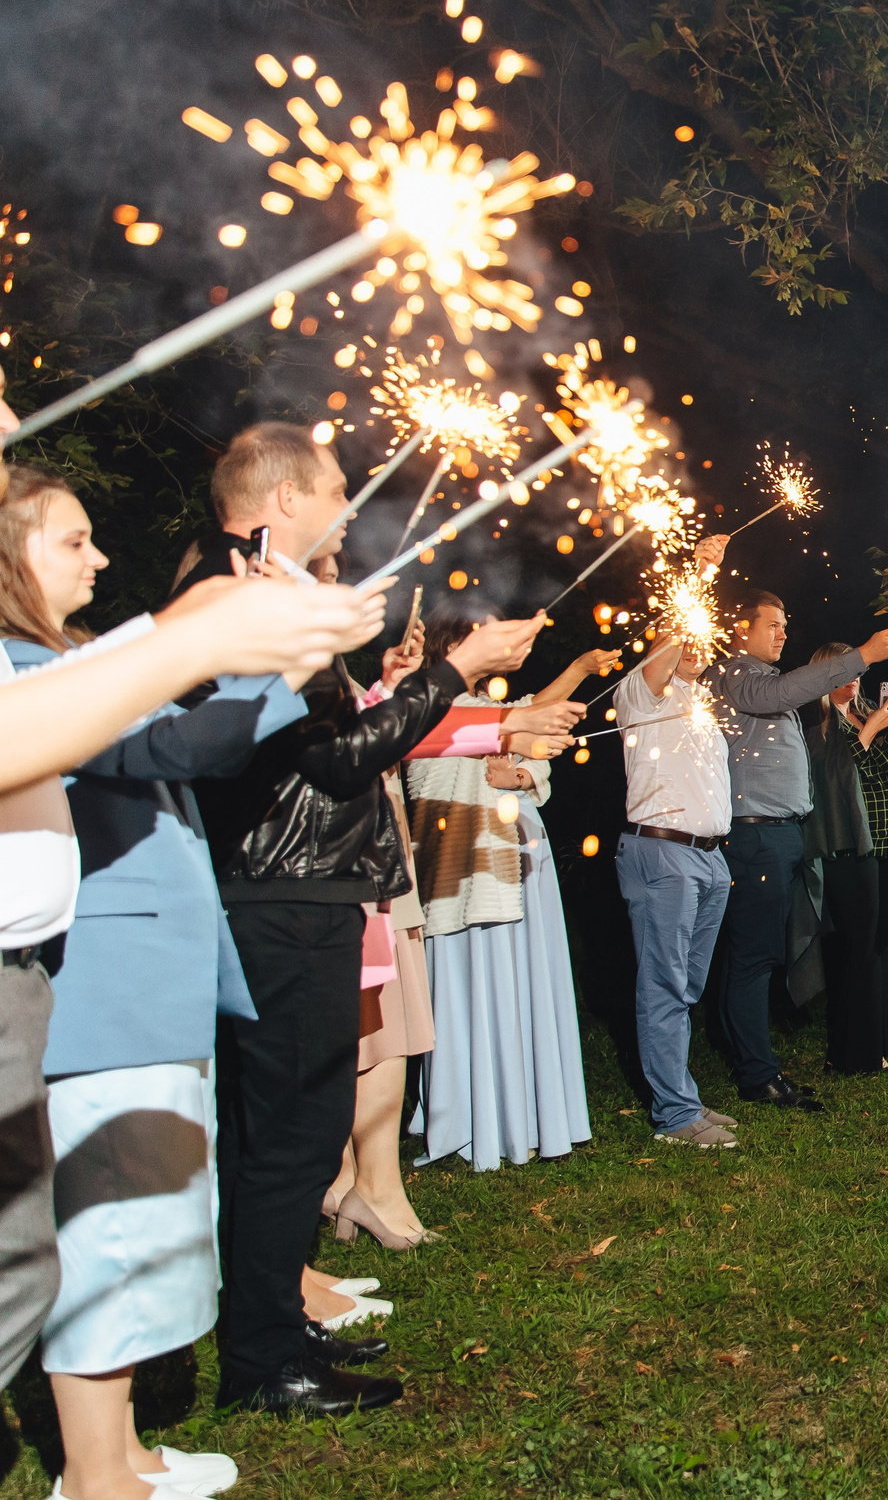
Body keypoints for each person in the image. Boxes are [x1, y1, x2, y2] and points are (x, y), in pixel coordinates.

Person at [179, 421, 545, 1415]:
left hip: (304, 885)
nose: (348, 502)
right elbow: (341, 759)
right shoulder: (252, 599)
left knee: (291, 1130)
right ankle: (263, 1360)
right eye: (334, 487)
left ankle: (275, 1324)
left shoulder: (280, 601)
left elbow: (345, 743)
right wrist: (456, 670)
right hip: (285, 891)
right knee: (290, 1135)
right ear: (286, 498)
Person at [0, 464, 304, 1500]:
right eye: (72, 539)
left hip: (143, 984)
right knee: (111, 1226)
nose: (98, 555)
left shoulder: (71, 657)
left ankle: (120, 1449)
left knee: (137, 1224)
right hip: (104, 990)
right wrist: (271, 653)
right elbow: (189, 737)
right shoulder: (32, 672)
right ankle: (93, 1473)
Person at [696, 554, 888, 1111]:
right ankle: (756, 1074)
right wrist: (861, 657)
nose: (784, 633)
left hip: (781, 835)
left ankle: (757, 1065)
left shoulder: (766, 681)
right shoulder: (739, 675)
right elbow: (784, 694)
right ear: (744, 629)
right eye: (774, 624)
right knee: (752, 958)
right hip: (754, 836)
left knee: (761, 956)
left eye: (787, 625)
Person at [403, 612, 605, 1174]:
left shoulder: (486, 713)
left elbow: (528, 731)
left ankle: (530, 1114)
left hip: (520, 866)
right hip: (466, 874)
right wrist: (528, 730)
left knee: (524, 990)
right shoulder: (432, 709)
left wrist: (522, 774)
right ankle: (473, 1122)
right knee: (473, 991)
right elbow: (522, 718)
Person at [615, 603, 741, 1149]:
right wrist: (697, 576)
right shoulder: (642, 694)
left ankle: (680, 1093)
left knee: (687, 985)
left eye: (703, 639)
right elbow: (661, 657)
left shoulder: (700, 704)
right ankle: (674, 1115)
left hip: (710, 858)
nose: (697, 647)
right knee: (664, 983)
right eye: (685, 639)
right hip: (663, 854)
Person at [806, 661, 888, 1074]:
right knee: (858, 949)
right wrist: (868, 730)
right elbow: (832, 774)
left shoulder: (868, 708)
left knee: (878, 946)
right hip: (846, 844)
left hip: (884, 842)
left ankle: (875, 1044)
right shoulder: (815, 720)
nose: (853, 678)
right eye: (843, 669)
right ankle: (855, 1053)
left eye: (857, 670)